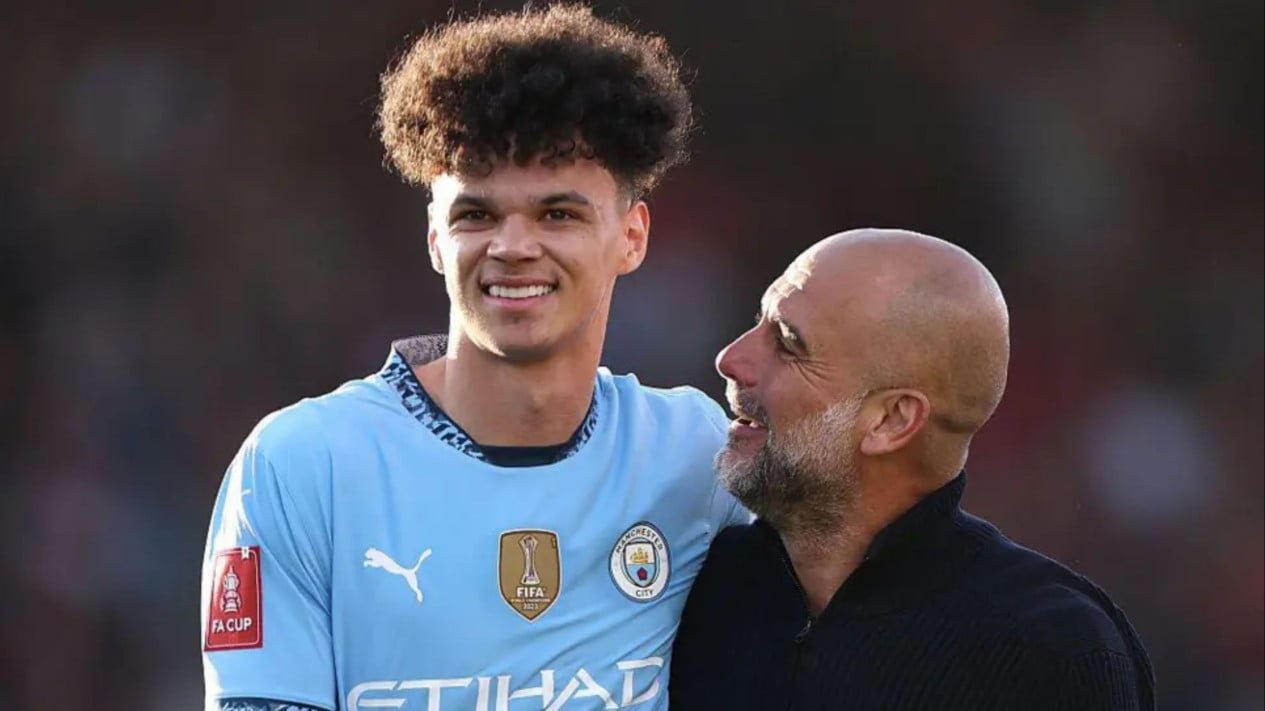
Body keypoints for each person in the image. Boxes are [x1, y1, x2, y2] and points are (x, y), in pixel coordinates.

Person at [199, 6, 747, 710]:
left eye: (558, 214)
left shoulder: (693, 455)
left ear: (632, 237)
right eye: (476, 215)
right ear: (435, 238)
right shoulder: (303, 464)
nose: (512, 246)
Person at [670, 228, 1155, 710]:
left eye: (788, 344)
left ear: (892, 420)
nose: (730, 359)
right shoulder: (682, 579)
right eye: (758, 321)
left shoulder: (1052, 650)